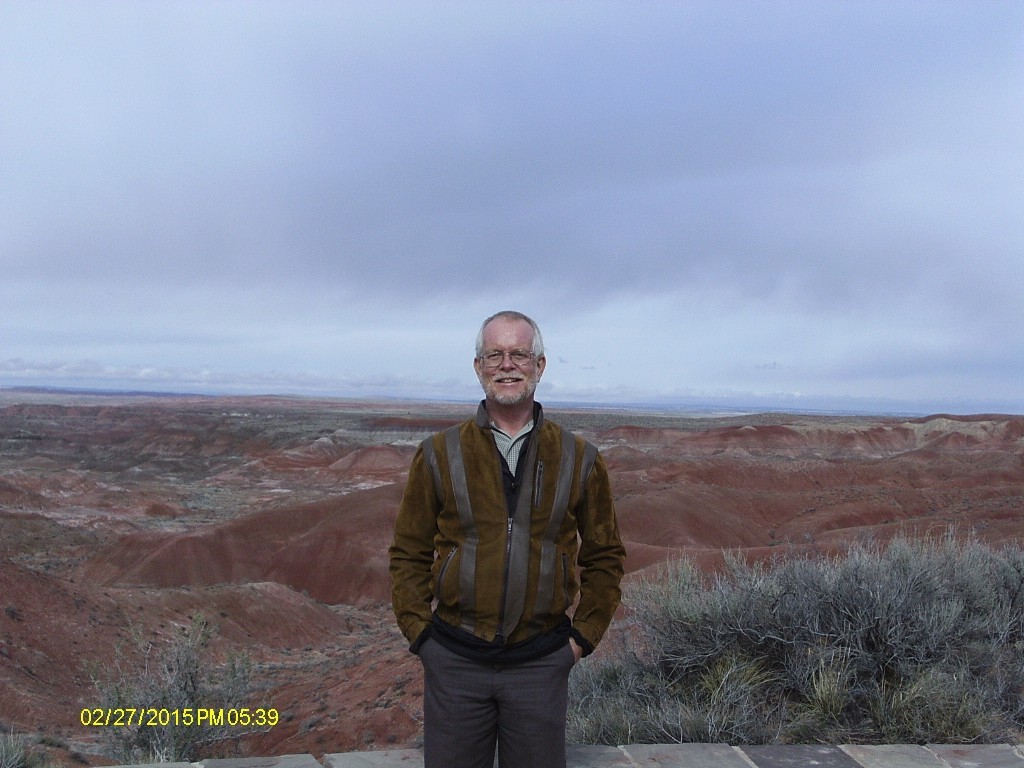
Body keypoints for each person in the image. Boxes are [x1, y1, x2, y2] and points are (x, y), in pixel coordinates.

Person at [389, 310, 626, 768]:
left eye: (519, 353)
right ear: (477, 366)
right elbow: (408, 552)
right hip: (454, 662)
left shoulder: (580, 459)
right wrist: (422, 636)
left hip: (541, 664)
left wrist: (579, 642)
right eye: (494, 354)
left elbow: (605, 558)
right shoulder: (439, 454)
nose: (507, 364)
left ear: (540, 365)